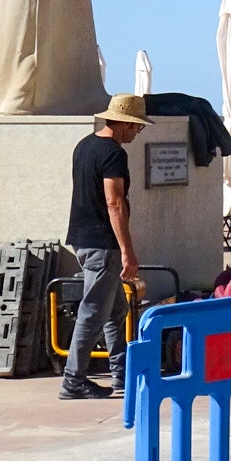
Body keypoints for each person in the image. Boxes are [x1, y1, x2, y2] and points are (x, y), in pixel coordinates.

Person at [60, 93, 151, 400]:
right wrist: (127, 250)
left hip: (83, 238)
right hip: (102, 242)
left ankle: (121, 373)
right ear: (122, 124)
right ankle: (73, 379)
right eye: (136, 127)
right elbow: (114, 203)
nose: (137, 133)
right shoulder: (113, 154)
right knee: (94, 311)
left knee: (116, 309)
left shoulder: (84, 146)